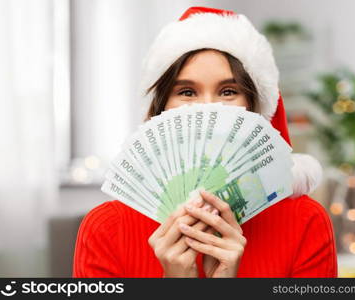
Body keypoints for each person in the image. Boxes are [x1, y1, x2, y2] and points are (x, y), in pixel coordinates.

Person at [73, 6, 337, 278]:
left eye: (228, 91)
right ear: (160, 109)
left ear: (255, 107)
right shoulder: (105, 228)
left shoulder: (305, 221)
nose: (208, 109)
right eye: (187, 91)